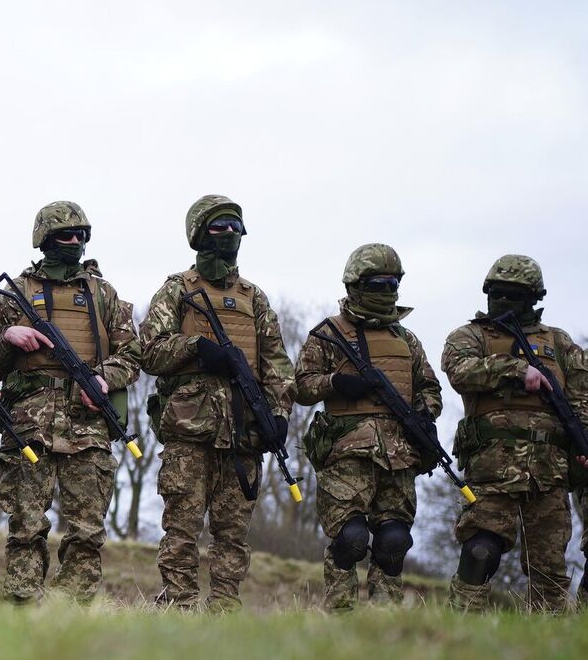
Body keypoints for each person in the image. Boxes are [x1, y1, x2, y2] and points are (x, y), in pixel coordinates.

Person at [138, 195, 293, 611]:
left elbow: (278, 364)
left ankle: (224, 612)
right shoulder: (177, 290)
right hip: (190, 430)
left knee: (233, 535)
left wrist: (279, 414)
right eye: (218, 228)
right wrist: (197, 348)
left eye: (234, 228)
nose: (228, 235)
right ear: (199, 236)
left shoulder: (254, 299)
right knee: (182, 530)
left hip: (244, 433)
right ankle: (178, 609)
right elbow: (149, 351)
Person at [0, 200, 140, 604]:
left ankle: (70, 613)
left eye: (79, 236)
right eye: (63, 236)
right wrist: (8, 336)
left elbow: (133, 354)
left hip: (87, 428)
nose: (73, 242)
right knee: (25, 526)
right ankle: (22, 612)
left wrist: (104, 379)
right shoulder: (16, 293)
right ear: (44, 240)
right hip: (27, 428)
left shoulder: (103, 294)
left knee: (87, 532)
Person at [291, 244, 442, 612]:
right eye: (378, 282)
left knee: (393, 542)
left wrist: (426, 415)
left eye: (393, 282)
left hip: (399, 456)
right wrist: (336, 383)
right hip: (346, 455)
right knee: (351, 539)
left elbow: (429, 388)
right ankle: (340, 616)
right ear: (356, 285)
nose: (386, 289)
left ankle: (384, 620)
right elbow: (300, 386)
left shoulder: (406, 340)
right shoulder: (328, 334)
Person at [440, 255, 588, 612]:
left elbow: (582, 399)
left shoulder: (561, 344)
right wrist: (515, 369)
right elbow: (459, 371)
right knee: (480, 551)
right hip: (492, 469)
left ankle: (546, 639)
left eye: (513, 295)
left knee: (549, 569)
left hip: (549, 473)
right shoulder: (470, 335)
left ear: (534, 298)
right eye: (497, 293)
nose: (502, 302)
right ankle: (460, 630)